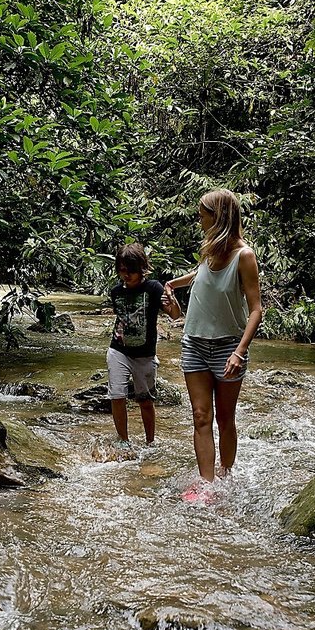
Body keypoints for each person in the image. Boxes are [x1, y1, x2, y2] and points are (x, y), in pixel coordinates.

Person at [162, 189, 263, 489]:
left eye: (202, 214)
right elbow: (200, 276)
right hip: (194, 343)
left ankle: (226, 475)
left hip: (228, 347)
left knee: (225, 419)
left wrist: (239, 352)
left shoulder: (244, 256)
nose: (198, 220)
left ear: (218, 217)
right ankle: (207, 486)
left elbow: (257, 310)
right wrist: (171, 285)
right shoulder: (209, 251)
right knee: (200, 416)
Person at [106, 243, 171, 446]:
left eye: (131, 270)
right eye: (122, 270)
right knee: (117, 395)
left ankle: (150, 442)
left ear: (142, 268)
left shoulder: (153, 288)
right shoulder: (115, 292)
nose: (126, 275)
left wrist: (172, 302)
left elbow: (175, 314)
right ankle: (123, 441)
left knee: (145, 400)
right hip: (118, 350)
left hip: (145, 354)